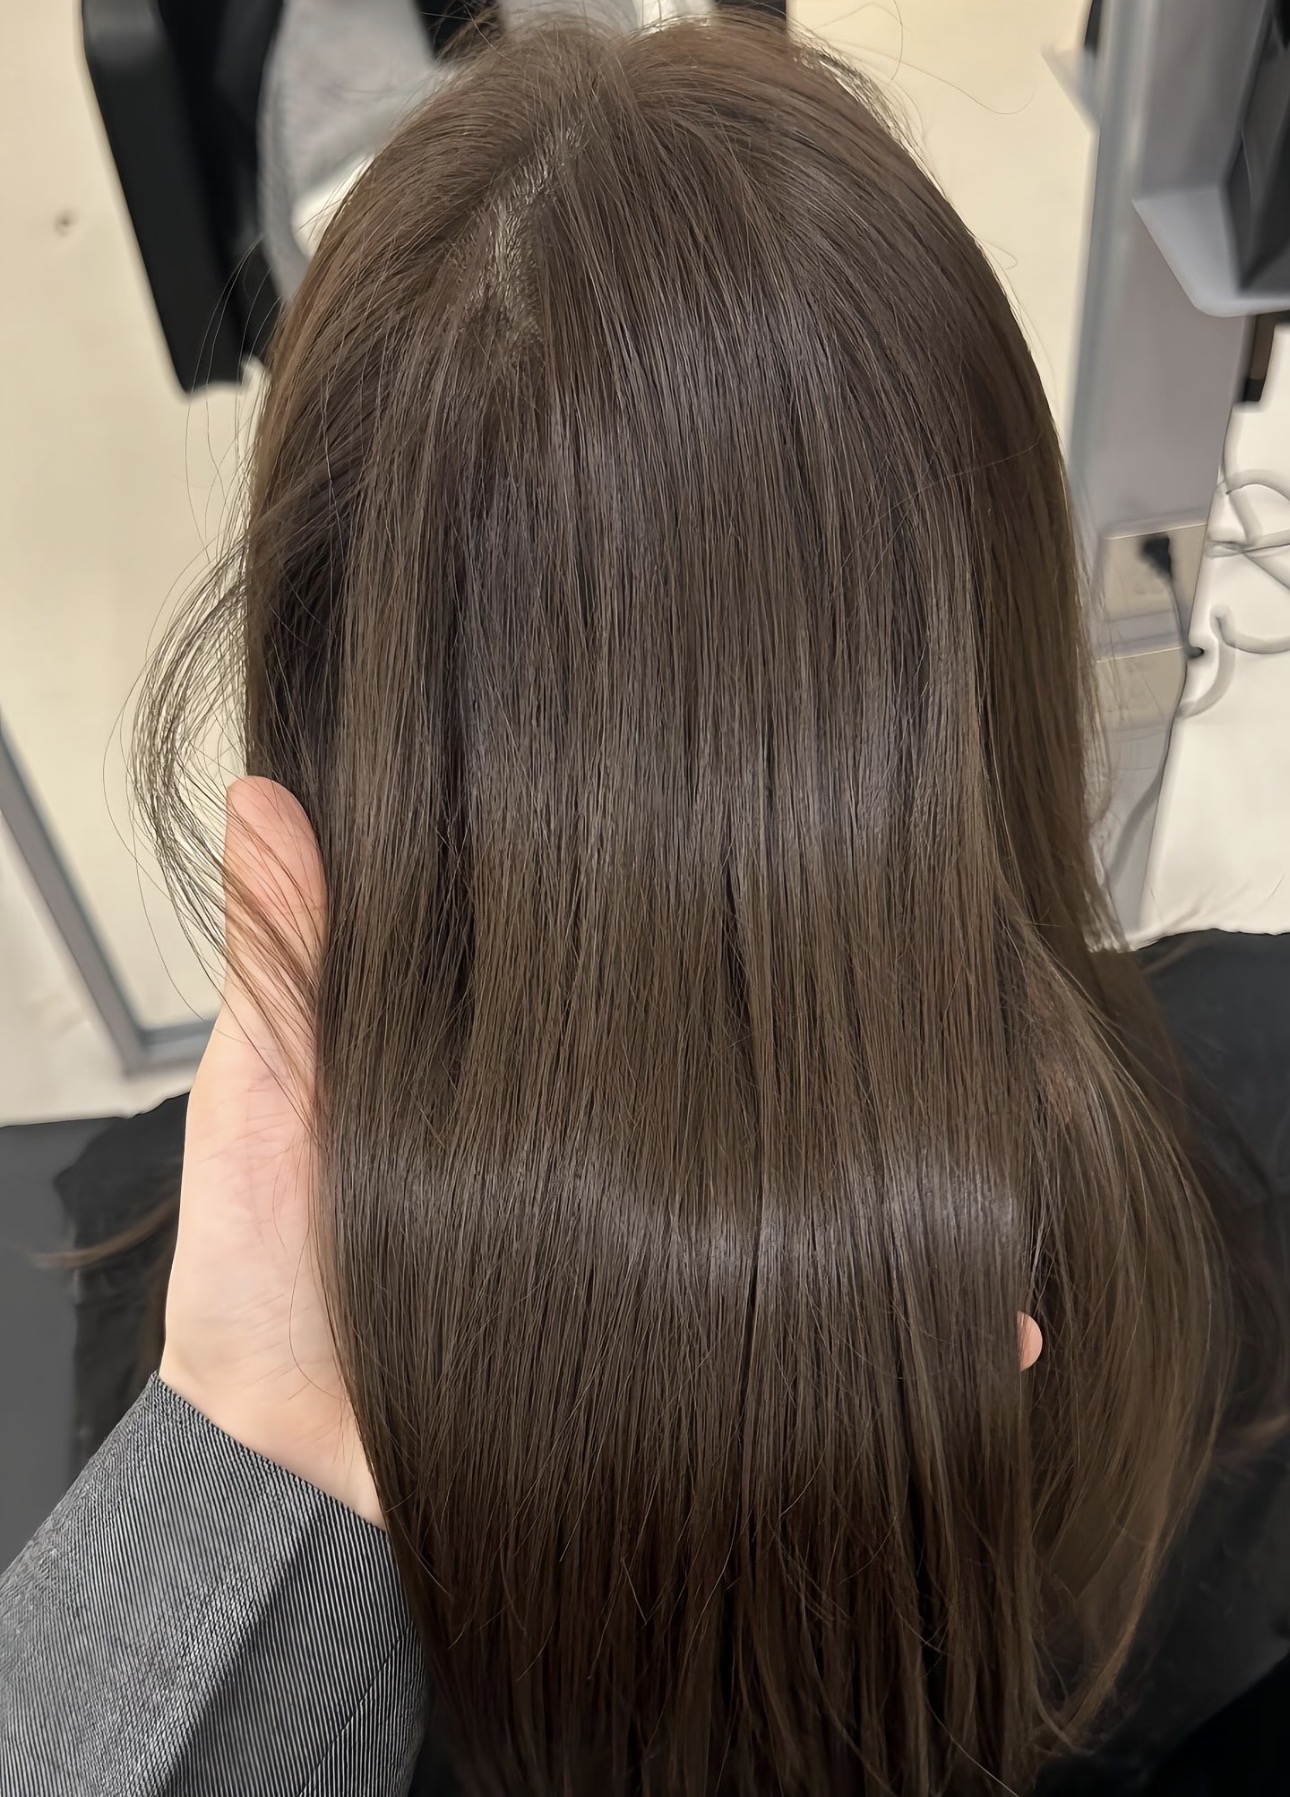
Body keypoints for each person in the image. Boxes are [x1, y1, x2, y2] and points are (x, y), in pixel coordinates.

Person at [2, 17, 1288, 1796]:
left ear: (328, 696)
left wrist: (255, 1442)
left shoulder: (177, 1342)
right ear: (981, 655)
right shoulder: (1242, 1130)